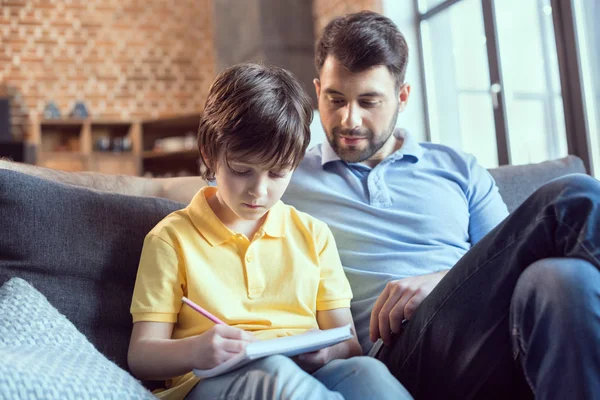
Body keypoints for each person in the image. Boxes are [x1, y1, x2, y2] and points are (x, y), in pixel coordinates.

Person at [2, 10, 600, 400]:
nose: (348, 120)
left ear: (403, 96)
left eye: (368, 102)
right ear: (317, 90)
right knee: (574, 199)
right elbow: (179, 190)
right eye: (335, 99)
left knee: (563, 280)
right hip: (401, 349)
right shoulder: (287, 166)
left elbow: (502, 259)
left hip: (473, 330)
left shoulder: (456, 170)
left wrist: (438, 280)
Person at [126, 63, 411, 400]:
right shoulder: (171, 239)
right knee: (274, 376)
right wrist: (196, 350)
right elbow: (141, 355)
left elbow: (347, 342)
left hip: (305, 372)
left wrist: (327, 353)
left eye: (277, 174)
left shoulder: (313, 235)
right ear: (210, 154)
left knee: (368, 373)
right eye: (242, 170)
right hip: (213, 382)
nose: (258, 191)